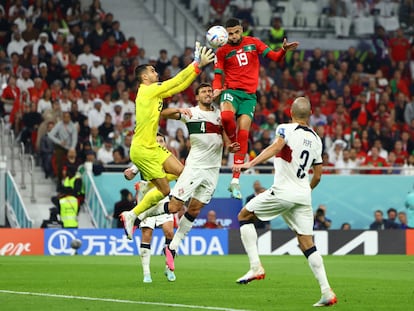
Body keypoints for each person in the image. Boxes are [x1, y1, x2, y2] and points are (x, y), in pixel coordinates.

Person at [232, 97, 337, 307]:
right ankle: (326, 291)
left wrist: (250, 163)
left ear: (291, 112)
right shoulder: (317, 139)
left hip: (283, 191)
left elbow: (275, 147)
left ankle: (256, 267)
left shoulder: (285, 129)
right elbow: (317, 176)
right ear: (309, 114)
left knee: (244, 216)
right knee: (306, 243)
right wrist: (305, 190)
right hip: (303, 195)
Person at [123, 83, 239, 273]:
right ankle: (136, 215)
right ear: (197, 96)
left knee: (195, 209)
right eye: (203, 92)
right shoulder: (191, 113)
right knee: (176, 206)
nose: (208, 94)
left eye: (210, 91)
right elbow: (166, 113)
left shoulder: (220, 115)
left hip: (213, 170)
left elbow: (226, 140)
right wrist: (179, 110)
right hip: (194, 168)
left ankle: (173, 247)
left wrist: (231, 146)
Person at [120, 43, 215, 240]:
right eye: (152, 71)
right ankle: (133, 215)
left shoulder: (154, 92)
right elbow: (175, 81)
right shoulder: (147, 91)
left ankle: (137, 208)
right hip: (142, 150)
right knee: (165, 190)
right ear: (145, 77)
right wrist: (196, 63)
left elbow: (180, 85)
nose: (156, 73)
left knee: (182, 172)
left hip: (153, 147)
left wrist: (198, 68)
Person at [212, 18, 299, 199]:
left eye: (236, 32)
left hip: (249, 96)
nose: (234, 36)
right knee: (227, 117)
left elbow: (274, 57)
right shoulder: (222, 51)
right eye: (230, 33)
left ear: (242, 29)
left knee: (244, 132)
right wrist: (216, 88)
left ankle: (235, 180)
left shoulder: (253, 42)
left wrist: (283, 50)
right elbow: (218, 74)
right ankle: (233, 142)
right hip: (231, 91)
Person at [126, 133, 176, 283]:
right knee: (147, 235)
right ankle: (146, 273)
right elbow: (130, 174)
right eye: (157, 141)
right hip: (145, 200)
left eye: (162, 140)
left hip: (162, 197)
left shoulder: (168, 159)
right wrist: (128, 174)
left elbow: (178, 174)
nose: (159, 143)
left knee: (169, 232)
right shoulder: (144, 157)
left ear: (165, 144)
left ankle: (169, 268)